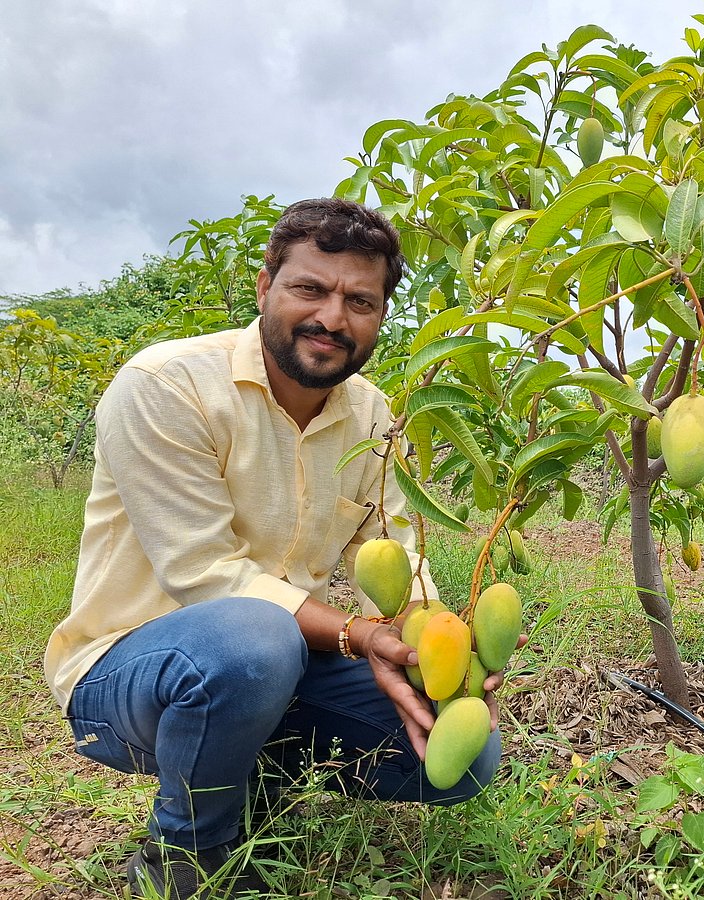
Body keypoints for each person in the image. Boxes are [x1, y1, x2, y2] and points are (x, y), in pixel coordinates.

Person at [44, 198, 504, 898]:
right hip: (130, 677)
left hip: (277, 664)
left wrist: (437, 653)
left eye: (361, 300)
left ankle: (248, 780)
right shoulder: (166, 385)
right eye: (309, 289)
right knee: (253, 641)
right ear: (265, 287)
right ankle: (187, 851)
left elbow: (397, 553)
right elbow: (206, 575)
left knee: (460, 758)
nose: (333, 317)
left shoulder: (374, 416)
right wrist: (356, 635)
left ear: (381, 317)